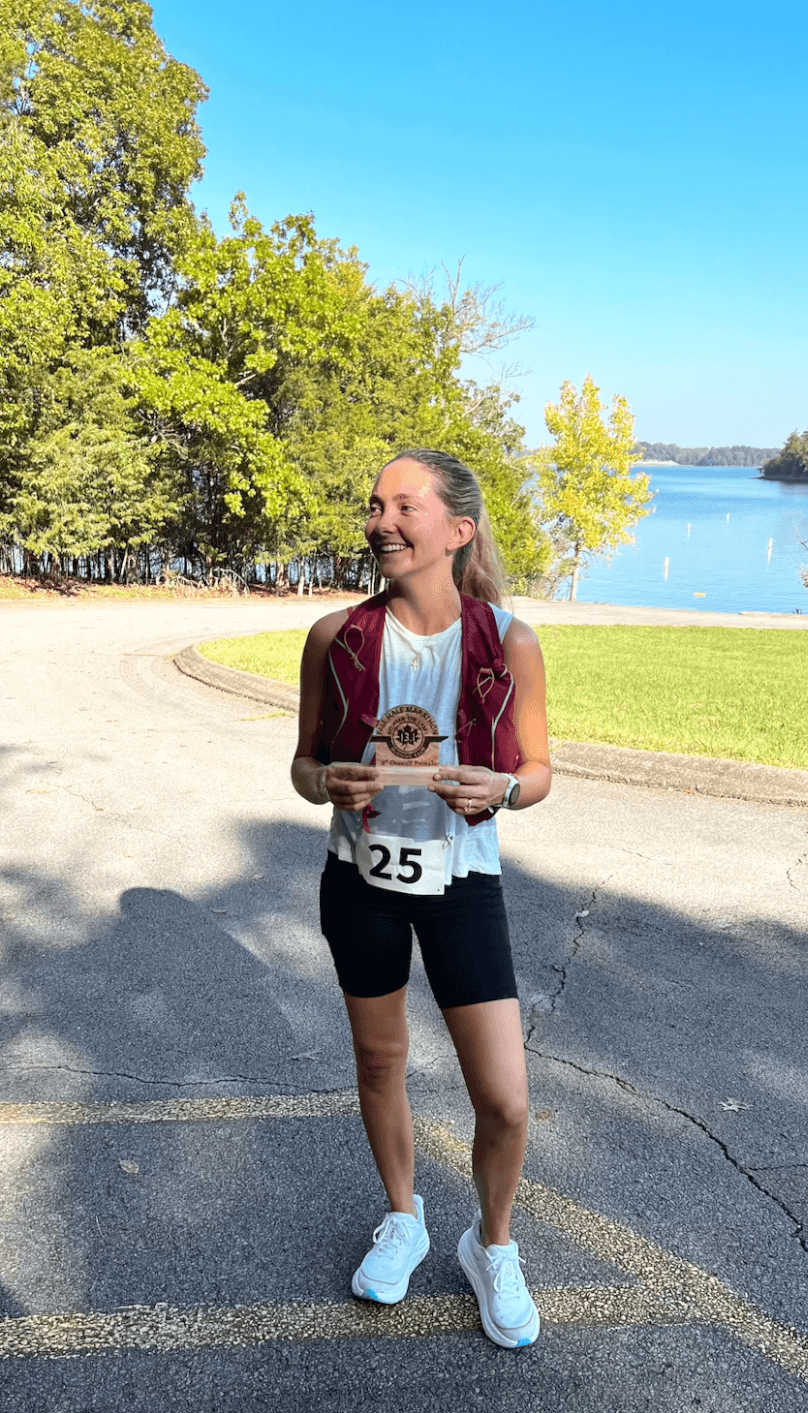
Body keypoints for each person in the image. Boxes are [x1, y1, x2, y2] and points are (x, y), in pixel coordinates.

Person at [290, 449, 551, 1348]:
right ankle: (403, 1218)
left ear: (457, 529)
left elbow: (539, 772)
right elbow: (300, 767)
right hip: (359, 880)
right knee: (378, 1062)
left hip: (462, 881)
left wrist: (502, 791)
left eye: (405, 505)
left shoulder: (508, 641)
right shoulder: (337, 636)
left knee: (506, 1100)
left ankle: (493, 1244)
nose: (381, 521)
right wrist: (330, 782)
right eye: (373, 505)